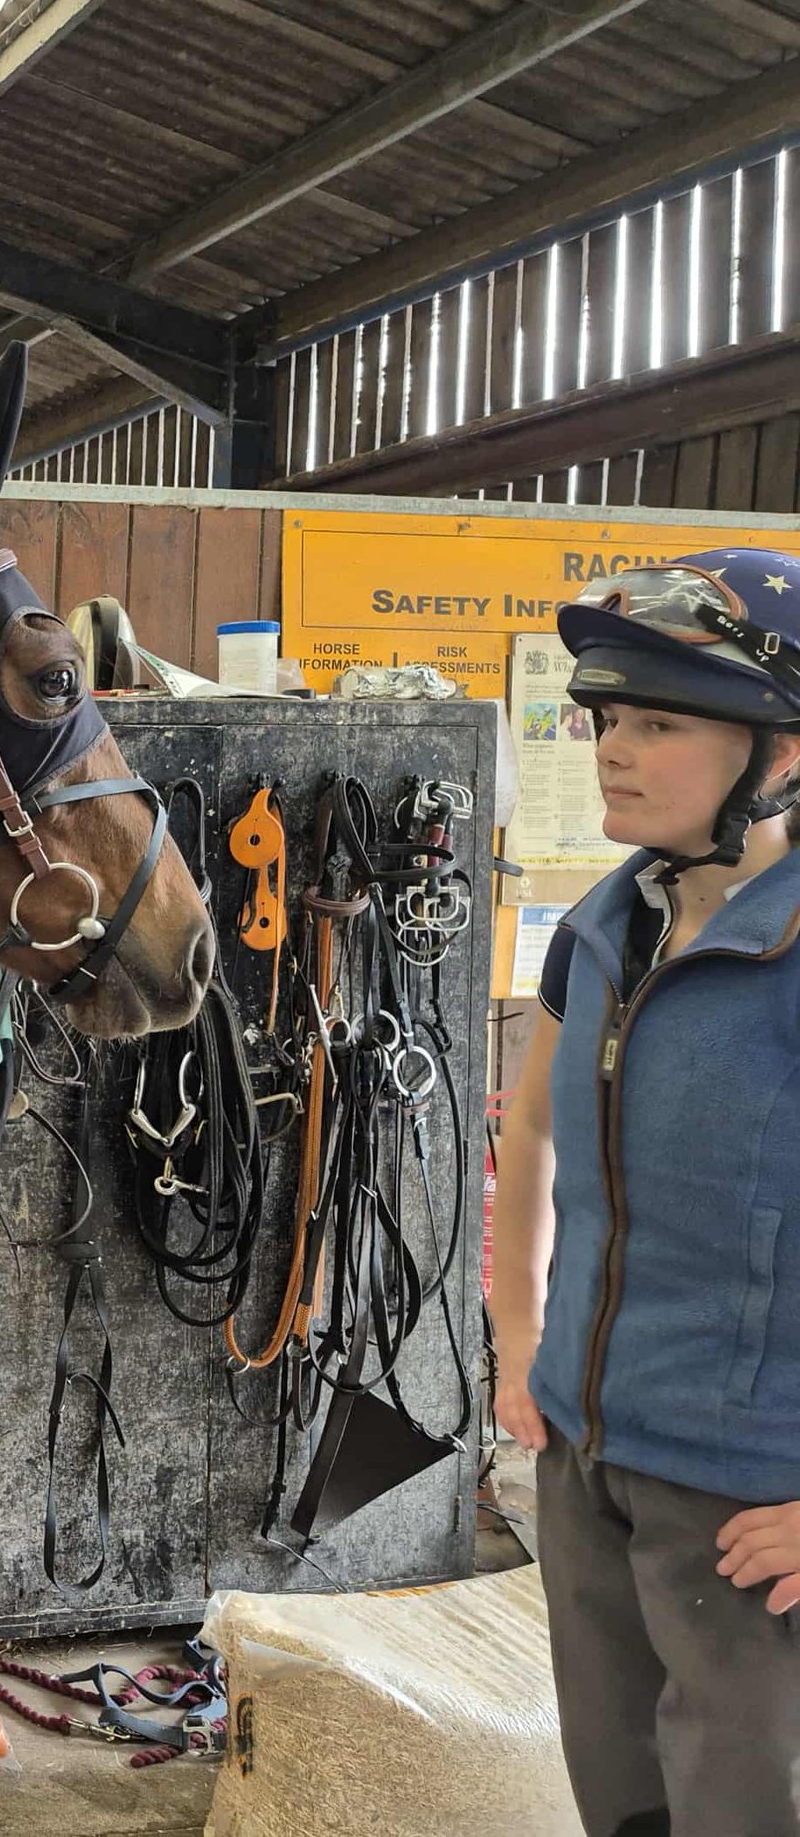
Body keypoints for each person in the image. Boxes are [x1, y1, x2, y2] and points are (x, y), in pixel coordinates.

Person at [494, 546, 800, 1837]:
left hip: (751, 1510)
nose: (614, 748)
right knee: (621, 1808)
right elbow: (534, 1129)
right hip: (586, 1470)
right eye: (607, 717)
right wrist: (522, 1341)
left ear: (781, 755)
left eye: (662, 722)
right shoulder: (606, 922)